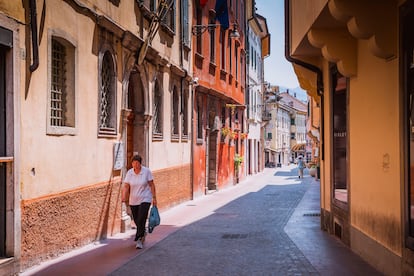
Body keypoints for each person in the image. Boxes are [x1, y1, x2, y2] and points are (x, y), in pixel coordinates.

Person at [122, 155, 157, 249]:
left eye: (137, 163)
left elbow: (152, 185)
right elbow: (126, 186)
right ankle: (142, 232)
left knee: (141, 217)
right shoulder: (129, 173)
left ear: (140, 163)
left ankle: (139, 239)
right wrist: (124, 197)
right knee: (137, 220)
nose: (135, 165)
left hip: (145, 198)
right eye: (134, 163)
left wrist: (154, 198)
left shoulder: (146, 172)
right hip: (133, 200)